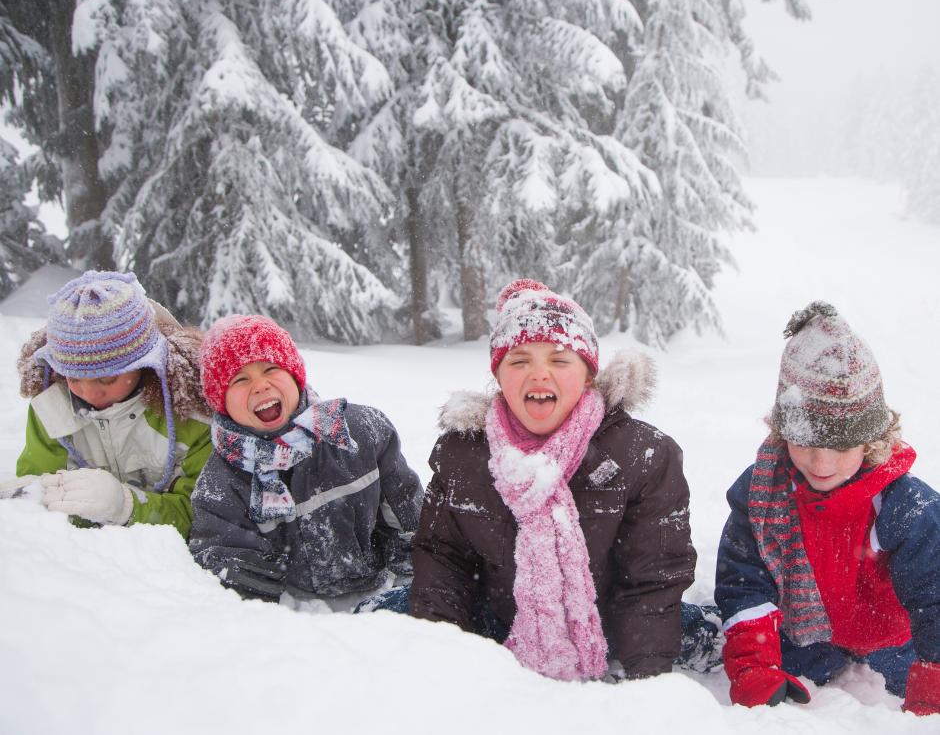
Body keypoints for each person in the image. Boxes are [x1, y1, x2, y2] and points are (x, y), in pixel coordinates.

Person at [409, 279, 696, 681]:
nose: (539, 374)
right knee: (384, 622)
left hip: (612, 633)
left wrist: (647, 681)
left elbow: (652, 579)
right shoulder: (463, 455)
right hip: (500, 625)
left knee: (700, 631)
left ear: (588, 376)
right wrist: (438, 659)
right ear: (498, 376)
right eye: (519, 360)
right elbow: (443, 562)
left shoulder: (641, 454)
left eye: (560, 360)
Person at [715, 301, 940, 715]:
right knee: (712, 634)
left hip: (893, 648)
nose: (821, 464)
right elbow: (744, 583)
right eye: (804, 444)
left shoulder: (905, 505)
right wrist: (755, 668)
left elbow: (935, 597)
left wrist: (933, 687)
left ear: (871, 440)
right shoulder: (763, 492)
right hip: (804, 640)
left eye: (840, 447)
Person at [188, 315, 423, 608]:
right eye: (240, 379)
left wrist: (415, 591)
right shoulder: (221, 483)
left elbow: (409, 519)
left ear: (295, 376)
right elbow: (237, 579)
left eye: (271, 368)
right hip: (298, 620)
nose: (260, 386)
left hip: (380, 595)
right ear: (220, 402)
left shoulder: (359, 432)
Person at [15, 270, 212, 538]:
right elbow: (40, 505)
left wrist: (127, 507)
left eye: (106, 379)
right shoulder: (51, 411)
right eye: (74, 377)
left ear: (147, 364)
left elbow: (207, 517)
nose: (90, 394)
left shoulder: (192, 416)